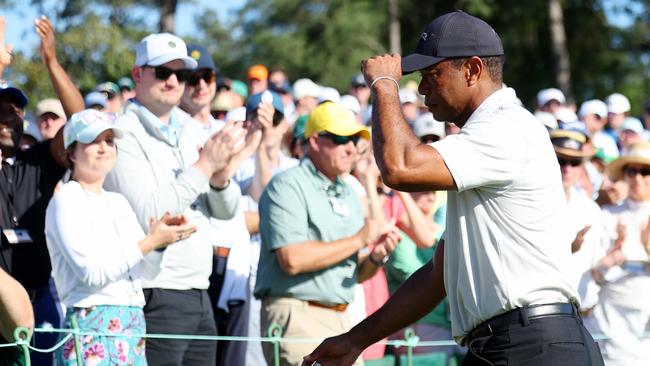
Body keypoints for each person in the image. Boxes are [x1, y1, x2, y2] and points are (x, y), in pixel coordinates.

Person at [303, 10, 603, 366]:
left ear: (473, 70)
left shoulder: (505, 128)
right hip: (515, 344)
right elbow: (438, 274)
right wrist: (357, 340)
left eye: (432, 74)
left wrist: (384, 85)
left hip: (533, 345)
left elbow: (400, 168)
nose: (423, 87)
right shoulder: (487, 139)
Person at [103, 32, 253, 366]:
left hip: (199, 289)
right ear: (138, 74)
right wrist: (204, 166)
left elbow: (227, 211)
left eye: (181, 74)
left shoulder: (189, 128)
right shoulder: (121, 134)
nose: (173, 81)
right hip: (155, 290)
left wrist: (220, 177)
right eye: (162, 71)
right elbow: (150, 214)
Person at [45, 109, 197, 365]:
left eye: (109, 140)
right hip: (90, 324)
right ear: (71, 153)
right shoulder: (65, 200)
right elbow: (92, 274)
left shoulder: (119, 202)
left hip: (133, 324)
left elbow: (146, 272)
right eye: (93, 141)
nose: (104, 147)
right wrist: (149, 242)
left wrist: (160, 242)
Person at [255, 102, 400, 366]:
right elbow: (292, 259)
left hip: (343, 321)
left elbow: (353, 273)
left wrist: (376, 258)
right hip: (296, 314)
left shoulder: (348, 193)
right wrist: (360, 239)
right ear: (315, 141)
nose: (350, 147)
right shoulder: (287, 185)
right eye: (340, 138)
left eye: (354, 140)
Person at [592, 141, 650, 365]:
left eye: (645, 171)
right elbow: (593, 272)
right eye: (632, 171)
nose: (638, 178)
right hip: (612, 319)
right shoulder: (607, 214)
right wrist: (610, 260)